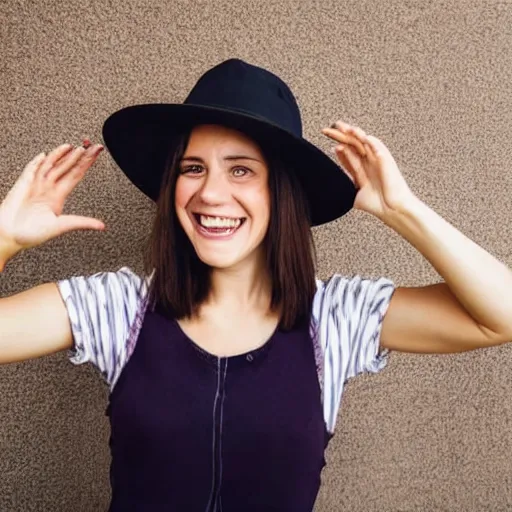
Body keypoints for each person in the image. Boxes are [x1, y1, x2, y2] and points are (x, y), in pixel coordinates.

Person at [0, 58, 511, 512]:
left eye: (241, 170)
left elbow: (501, 316)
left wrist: (404, 211)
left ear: (280, 193)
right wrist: (5, 238)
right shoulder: (118, 308)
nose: (210, 193)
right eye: (192, 168)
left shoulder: (336, 318)